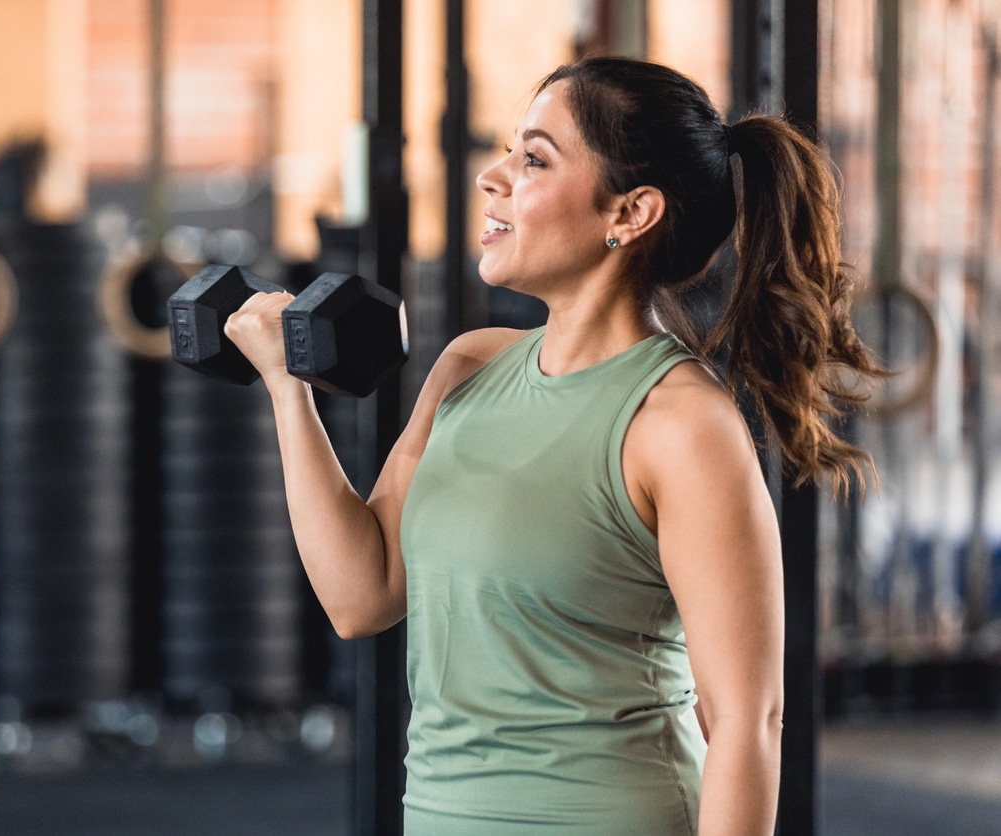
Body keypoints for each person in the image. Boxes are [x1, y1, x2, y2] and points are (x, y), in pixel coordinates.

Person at [225, 56, 880, 835]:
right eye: (509, 151)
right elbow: (361, 595)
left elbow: (747, 723)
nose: (492, 178)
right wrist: (284, 388)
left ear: (631, 213)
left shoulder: (681, 425)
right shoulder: (469, 365)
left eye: (534, 158)